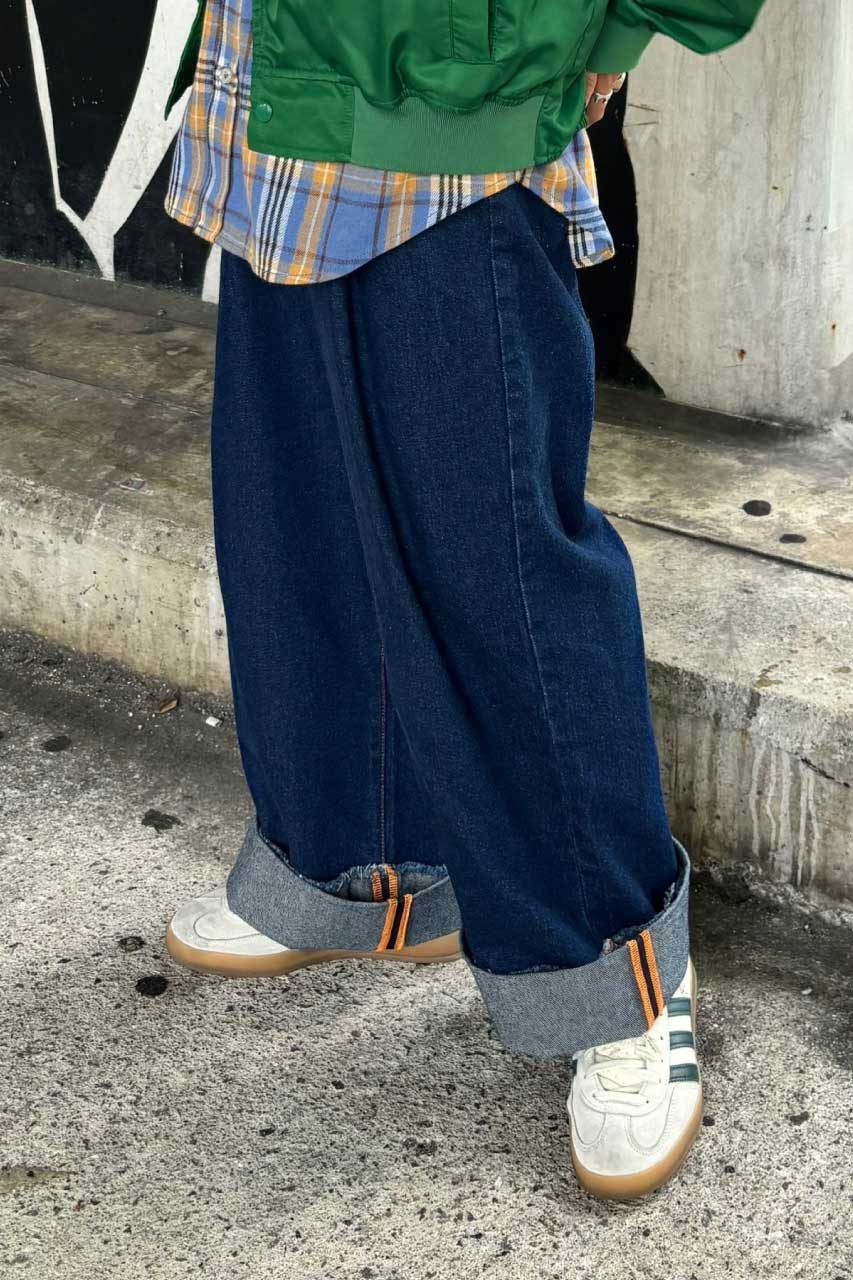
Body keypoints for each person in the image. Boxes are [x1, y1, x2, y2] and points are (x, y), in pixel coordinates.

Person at [163, 0, 764, 1200]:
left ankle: (614, 974)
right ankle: (367, 871)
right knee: (303, 522)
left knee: (501, 570)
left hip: (459, 113)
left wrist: (609, 40)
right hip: (275, 76)